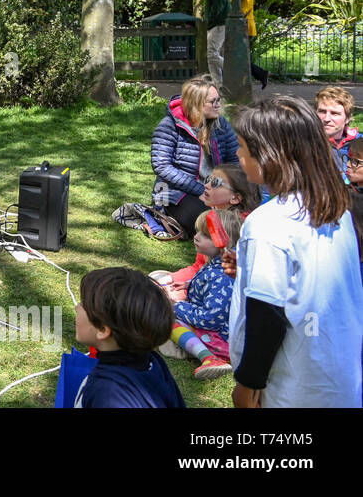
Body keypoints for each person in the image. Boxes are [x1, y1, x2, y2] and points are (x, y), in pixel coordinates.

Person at [223, 95, 363, 407]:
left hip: (292, 386)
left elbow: (267, 316)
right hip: (338, 377)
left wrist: (247, 384)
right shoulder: (335, 207)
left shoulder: (268, 223)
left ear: (269, 156)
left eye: (243, 147)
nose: (237, 153)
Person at [73, 267, 185, 408]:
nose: (77, 307)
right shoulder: (152, 362)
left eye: (84, 304)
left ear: (103, 329)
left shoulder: (106, 394)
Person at [150, 75, 238, 239]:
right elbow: (161, 166)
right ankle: (166, 217)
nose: (218, 105)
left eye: (219, 100)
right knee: (212, 223)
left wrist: (231, 187)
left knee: (243, 214)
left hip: (214, 188)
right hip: (176, 193)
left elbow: (234, 160)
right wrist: (200, 190)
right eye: (213, 102)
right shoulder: (169, 126)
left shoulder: (221, 124)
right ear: (196, 104)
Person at [159, 209, 241, 379]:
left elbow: (210, 319)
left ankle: (208, 357)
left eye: (206, 235)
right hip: (217, 328)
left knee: (169, 320)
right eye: (198, 231)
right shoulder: (217, 264)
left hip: (222, 338)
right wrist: (188, 285)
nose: (196, 237)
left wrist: (177, 306)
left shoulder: (223, 277)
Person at [150, 162, 259, 288]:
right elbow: (199, 266)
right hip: (203, 281)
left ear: (235, 198)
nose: (206, 185)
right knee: (156, 278)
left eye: (216, 183)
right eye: (208, 179)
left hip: (220, 293)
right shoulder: (214, 218)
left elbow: (222, 281)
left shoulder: (237, 228)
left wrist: (185, 288)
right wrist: (171, 279)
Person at [315, 86, 358, 179]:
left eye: (335, 113)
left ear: (348, 118)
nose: (326, 119)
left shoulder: (359, 143)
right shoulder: (304, 143)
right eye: (322, 111)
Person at [199, 0, 229, 84]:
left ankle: (236, 70)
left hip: (219, 23)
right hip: (216, 23)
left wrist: (210, 19)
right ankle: (218, 85)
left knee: (212, 55)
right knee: (211, 56)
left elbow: (219, 5)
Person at [240, 0, 269, 89]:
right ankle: (260, 74)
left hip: (245, 28)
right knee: (240, 58)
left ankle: (261, 74)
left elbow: (244, 10)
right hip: (241, 28)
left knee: (240, 58)